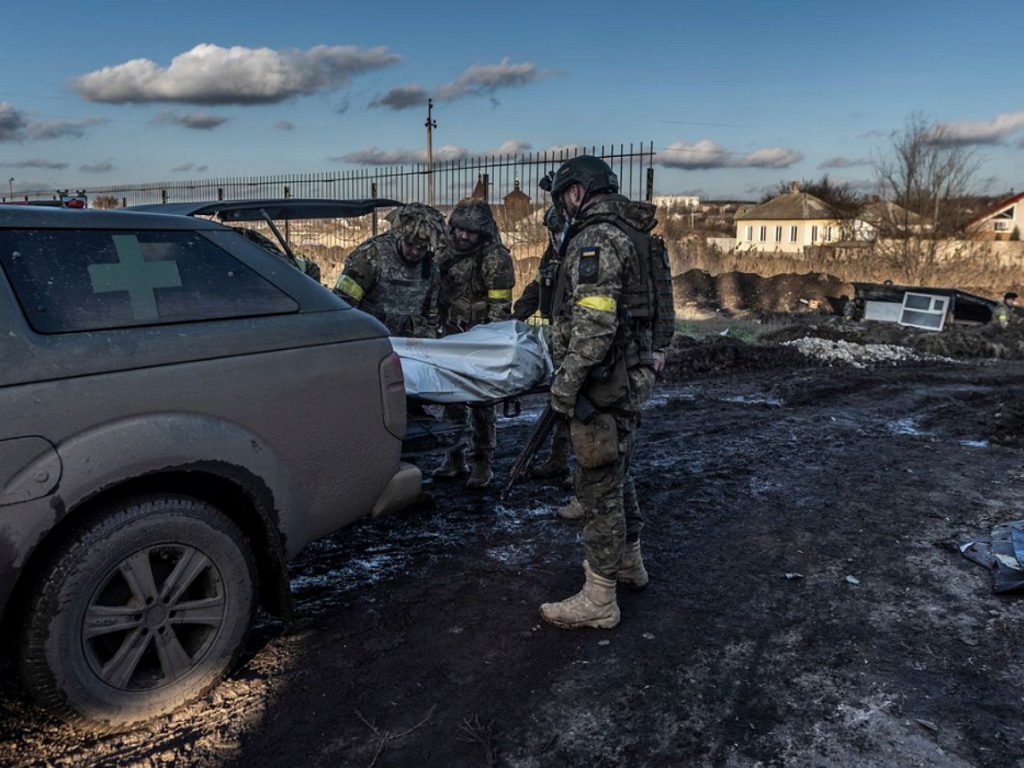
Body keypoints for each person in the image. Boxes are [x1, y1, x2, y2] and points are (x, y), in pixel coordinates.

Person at [538, 155, 660, 630]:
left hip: (601, 383)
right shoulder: (632, 233)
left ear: (574, 193)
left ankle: (599, 599)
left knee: (598, 487)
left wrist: (564, 386)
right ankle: (630, 563)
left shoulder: (595, 238)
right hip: (628, 375)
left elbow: (594, 322)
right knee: (617, 471)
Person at [432, 199, 516, 488]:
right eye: (459, 230)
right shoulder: (443, 250)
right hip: (449, 336)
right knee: (451, 400)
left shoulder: (495, 258)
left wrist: (491, 347)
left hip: (480, 340)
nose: (464, 236)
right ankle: (454, 457)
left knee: (482, 403)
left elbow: (500, 308)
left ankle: (483, 463)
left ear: (483, 233)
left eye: (471, 232)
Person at [513, 206, 575, 489]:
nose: (554, 237)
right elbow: (539, 286)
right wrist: (515, 317)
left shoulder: (585, 252)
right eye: (551, 232)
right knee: (561, 401)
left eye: (558, 231)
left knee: (585, 405)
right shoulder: (553, 255)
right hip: (560, 336)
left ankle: (588, 470)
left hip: (583, 338)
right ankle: (558, 458)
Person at [333, 203, 446, 338]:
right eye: (409, 244)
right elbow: (342, 304)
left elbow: (432, 317)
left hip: (411, 345)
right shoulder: (371, 257)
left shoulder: (430, 267)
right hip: (371, 338)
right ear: (399, 236)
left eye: (422, 247)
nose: (415, 252)